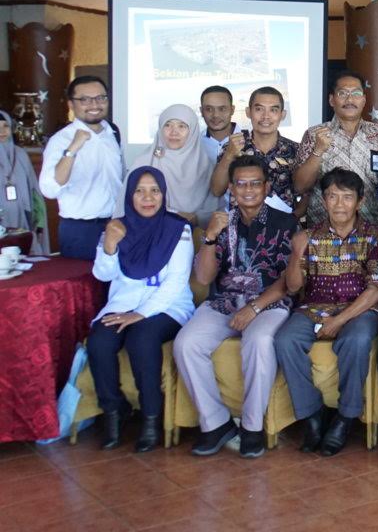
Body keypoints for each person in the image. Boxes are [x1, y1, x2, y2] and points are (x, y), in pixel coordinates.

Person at [173, 155, 297, 459]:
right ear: (231, 188)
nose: (248, 190)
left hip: (269, 302)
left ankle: (252, 427)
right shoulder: (222, 222)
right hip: (226, 301)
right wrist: (210, 237)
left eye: (255, 183)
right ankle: (216, 423)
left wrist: (254, 308)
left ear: (267, 187)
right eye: (241, 184)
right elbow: (204, 277)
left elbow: (289, 281)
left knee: (259, 340)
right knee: (186, 343)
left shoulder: (286, 223)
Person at [274, 168, 378, 458]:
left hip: (361, 309)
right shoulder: (309, 236)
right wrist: (296, 253)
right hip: (314, 307)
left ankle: (345, 417)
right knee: (285, 340)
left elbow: (377, 290)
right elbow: (293, 287)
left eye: (347, 197)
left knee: (356, 340)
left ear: (360, 201)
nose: (339, 204)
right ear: (323, 201)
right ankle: (312, 414)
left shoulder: (375, 236)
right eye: (332, 196)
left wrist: (339, 320)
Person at [87, 167, 193, 452]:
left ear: (163, 194)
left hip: (168, 306)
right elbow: (102, 275)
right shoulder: (117, 227)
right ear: (129, 195)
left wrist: (141, 314)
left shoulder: (177, 228)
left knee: (141, 338)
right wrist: (110, 245)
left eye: (154, 191)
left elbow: (176, 282)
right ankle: (114, 411)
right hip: (123, 303)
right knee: (99, 342)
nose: (148, 198)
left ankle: (151, 417)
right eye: (140, 191)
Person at [295, 71, 378, 228]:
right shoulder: (315, 134)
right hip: (323, 231)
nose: (350, 99)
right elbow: (300, 187)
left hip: (374, 230)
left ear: (364, 100)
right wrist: (318, 151)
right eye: (342, 93)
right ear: (331, 100)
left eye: (356, 93)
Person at [39, 75, 124, 260]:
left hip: (116, 225)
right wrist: (72, 149)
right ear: (71, 104)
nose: (95, 104)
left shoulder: (113, 133)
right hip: (80, 231)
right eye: (85, 99)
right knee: (82, 279)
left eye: (101, 98)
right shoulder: (61, 140)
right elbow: (49, 189)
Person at [209, 86, 299, 215]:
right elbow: (217, 190)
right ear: (248, 112)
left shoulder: (295, 149)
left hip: (284, 224)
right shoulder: (232, 146)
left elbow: (306, 194)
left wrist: (293, 219)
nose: (266, 116)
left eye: (273, 110)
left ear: (282, 115)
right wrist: (229, 155)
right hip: (241, 224)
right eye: (259, 109)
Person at [130, 104, 216, 227]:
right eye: (168, 125)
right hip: (152, 229)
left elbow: (214, 203)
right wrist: (172, 215)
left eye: (182, 126)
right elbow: (130, 200)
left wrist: (198, 218)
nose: (174, 132)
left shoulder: (205, 163)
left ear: (192, 130)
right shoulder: (145, 160)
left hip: (198, 232)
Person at [0, 111, 43, 239]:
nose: (2, 131)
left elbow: (34, 191)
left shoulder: (20, 155)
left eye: (6, 126)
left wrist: (39, 220)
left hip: (23, 218)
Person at [200, 85, 241, 160]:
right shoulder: (194, 144)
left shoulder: (251, 140)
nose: (215, 115)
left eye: (222, 109)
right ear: (201, 111)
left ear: (232, 110)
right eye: (209, 109)